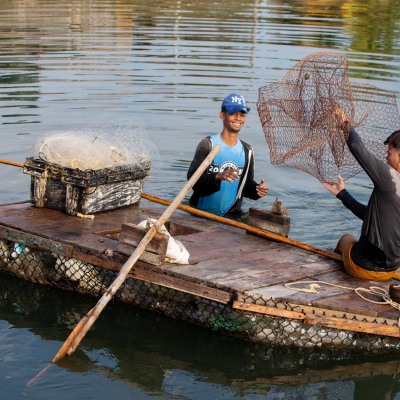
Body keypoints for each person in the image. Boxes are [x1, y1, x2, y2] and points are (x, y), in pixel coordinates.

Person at [323, 113, 400, 281]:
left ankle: (328, 276)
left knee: (346, 239)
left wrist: (344, 122)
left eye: (389, 154)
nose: (386, 159)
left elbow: (357, 147)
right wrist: (342, 194)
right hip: (390, 271)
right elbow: (371, 216)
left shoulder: (389, 177)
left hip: (362, 267)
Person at [187, 93, 268, 217]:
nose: (238, 118)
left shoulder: (248, 151)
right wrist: (218, 176)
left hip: (231, 217)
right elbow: (192, 181)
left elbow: (245, 186)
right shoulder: (208, 145)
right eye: (233, 113)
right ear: (222, 115)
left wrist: (257, 190)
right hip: (200, 216)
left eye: (242, 114)